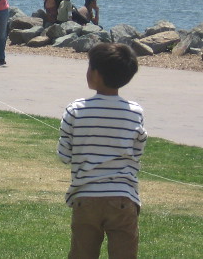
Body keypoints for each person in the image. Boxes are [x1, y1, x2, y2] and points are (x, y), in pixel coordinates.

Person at [57, 43, 147, 259]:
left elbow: (64, 154)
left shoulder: (75, 110)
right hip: (123, 197)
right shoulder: (135, 112)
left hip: (85, 197)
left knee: (82, 253)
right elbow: (137, 150)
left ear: (95, 74)